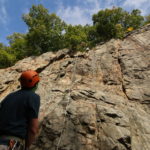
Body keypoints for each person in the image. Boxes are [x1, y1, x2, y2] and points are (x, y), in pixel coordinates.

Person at [0, 70, 40, 150]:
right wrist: (27, 147)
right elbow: (33, 128)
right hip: (12, 143)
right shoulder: (33, 97)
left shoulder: (9, 96)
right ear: (36, 83)